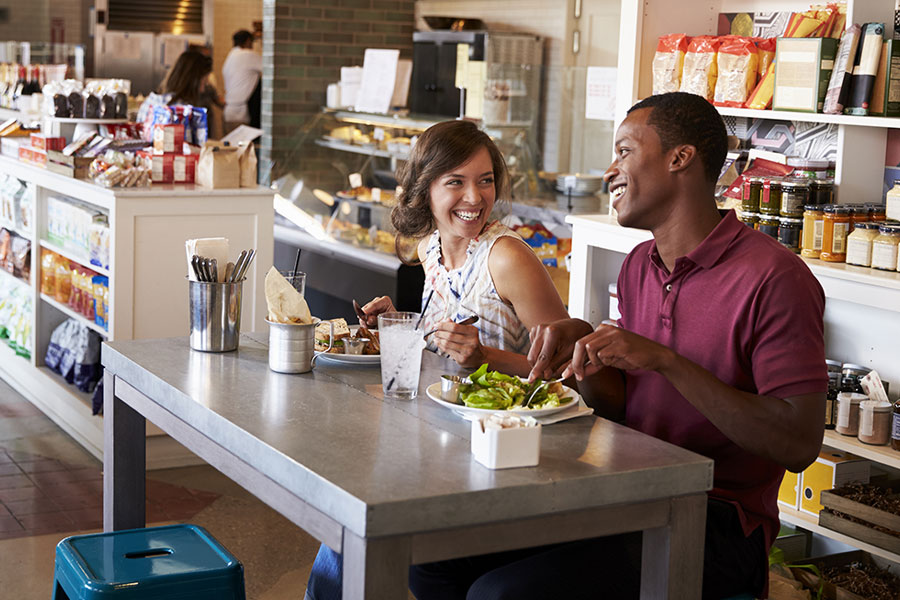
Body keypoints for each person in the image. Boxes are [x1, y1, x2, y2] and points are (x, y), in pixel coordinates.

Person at [408, 92, 828, 599]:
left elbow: (800, 444)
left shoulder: (775, 278)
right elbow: (623, 405)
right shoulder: (639, 266)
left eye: (625, 151)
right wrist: (584, 353)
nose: (610, 170)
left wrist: (667, 362)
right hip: (626, 492)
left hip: (714, 519)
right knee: (431, 560)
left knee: (503, 594)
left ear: (680, 159)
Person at [304, 119, 570, 600]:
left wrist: (485, 357)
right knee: (345, 535)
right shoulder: (430, 250)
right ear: (425, 190)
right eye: (456, 182)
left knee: (351, 540)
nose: (475, 197)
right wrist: (400, 323)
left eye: (485, 180)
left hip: (504, 456)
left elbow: (566, 370)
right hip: (441, 442)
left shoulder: (507, 257)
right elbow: (445, 340)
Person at [223, 29, 262, 132]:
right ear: (248, 41)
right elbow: (271, 69)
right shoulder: (248, 55)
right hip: (241, 114)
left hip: (229, 113)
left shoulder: (230, 56)